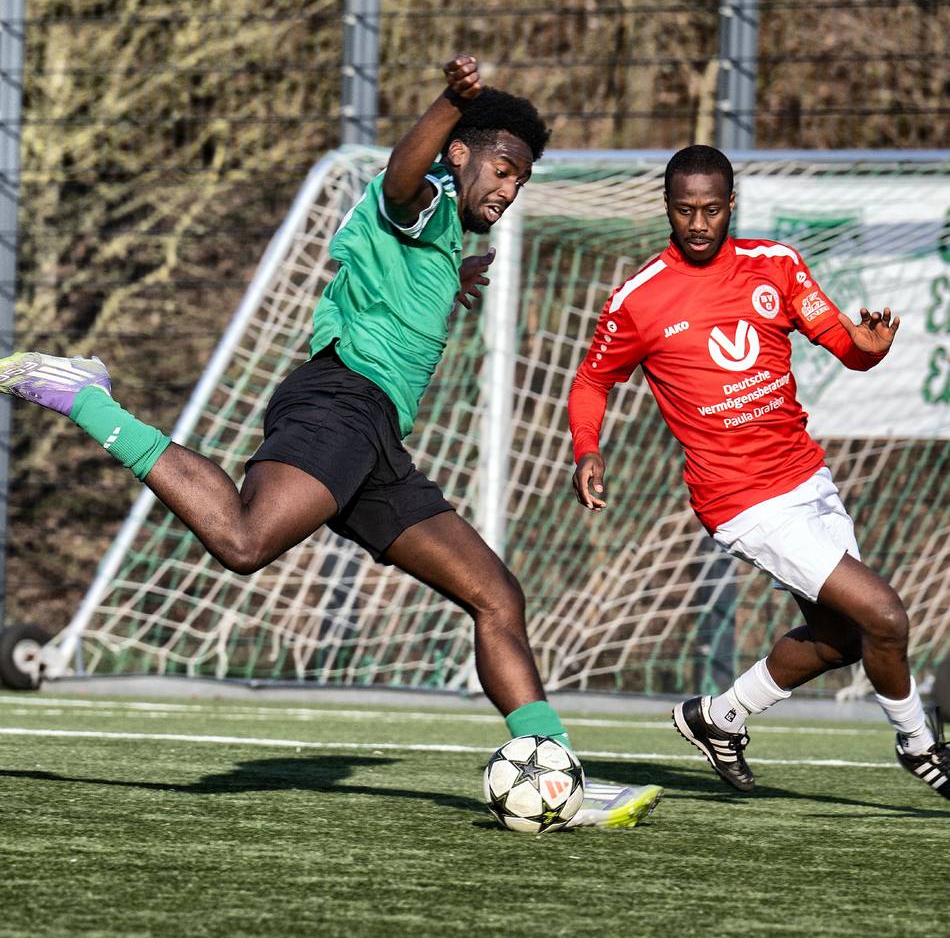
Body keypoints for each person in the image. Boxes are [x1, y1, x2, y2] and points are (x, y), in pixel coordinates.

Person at [0, 55, 662, 829]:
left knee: (496, 596)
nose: (509, 190)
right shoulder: (426, 194)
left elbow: (390, 270)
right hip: (339, 403)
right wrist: (450, 102)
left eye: (520, 180)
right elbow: (399, 180)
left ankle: (558, 775)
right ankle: (84, 396)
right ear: (459, 152)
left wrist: (448, 281)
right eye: (502, 169)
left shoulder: (442, 230)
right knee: (244, 541)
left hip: (375, 438)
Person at [568, 144, 949, 800]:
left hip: (807, 478)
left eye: (711, 210)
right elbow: (590, 380)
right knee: (885, 615)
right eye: (684, 210)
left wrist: (869, 351)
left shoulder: (777, 264)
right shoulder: (639, 299)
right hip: (740, 499)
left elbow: (845, 346)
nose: (698, 224)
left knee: (841, 640)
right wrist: (587, 448)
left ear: (731, 205)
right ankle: (920, 745)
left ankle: (719, 717)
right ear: (666, 207)